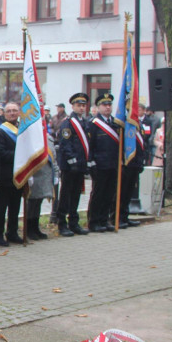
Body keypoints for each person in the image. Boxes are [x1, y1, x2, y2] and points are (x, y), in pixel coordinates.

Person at [55, 93, 91, 237]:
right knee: (66, 195)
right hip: (70, 166)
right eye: (79, 105)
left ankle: (74, 223)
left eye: (83, 105)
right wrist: (72, 160)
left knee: (76, 194)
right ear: (73, 106)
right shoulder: (68, 122)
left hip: (81, 165)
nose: (82, 108)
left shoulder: (85, 122)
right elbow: (65, 144)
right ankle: (62, 223)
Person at [0, 101, 24, 246]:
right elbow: (1, 153)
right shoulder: (1, 131)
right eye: (9, 111)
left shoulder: (22, 130)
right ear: (4, 113)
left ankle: (12, 232)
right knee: (0, 207)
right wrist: (20, 154)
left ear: (19, 112)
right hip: (4, 175)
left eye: (14, 110)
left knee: (15, 206)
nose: (12, 113)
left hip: (19, 174)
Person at [87, 93, 119, 233]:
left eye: (109, 105)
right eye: (104, 105)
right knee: (98, 194)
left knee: (109, 193)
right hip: (99, 164)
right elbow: (90, 145)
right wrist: (91, 162)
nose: (107, 107)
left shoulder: (116, 123)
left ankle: (104, 220)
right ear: (98, 107)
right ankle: (94, 221)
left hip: (113, 164)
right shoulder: (93, 124)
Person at [25, 133, 56, 240]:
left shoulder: (47, 136)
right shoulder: (32, 134)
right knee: (32, 201)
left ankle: (35, 227)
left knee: (39, 201)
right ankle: (29, 229)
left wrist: (55, 173)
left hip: (45, 174)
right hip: (35, 173)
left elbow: (53, 156)